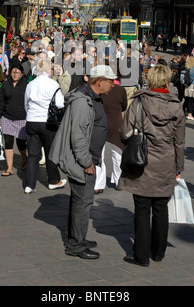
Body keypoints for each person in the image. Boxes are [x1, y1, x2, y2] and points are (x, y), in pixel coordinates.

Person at [118, 65, 185, 266]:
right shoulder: (176, 106)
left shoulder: (138, 102)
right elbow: (179, 142)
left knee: (141, 209)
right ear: (167, 82)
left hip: (141, 162)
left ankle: (140, 255)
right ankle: (158, 252)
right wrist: (178, 168)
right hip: (166, 163)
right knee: (161, 208)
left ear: (150, 81)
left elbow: (124, 132)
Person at [49, 64, 116, 260]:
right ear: (100, 81)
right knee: (83, 202)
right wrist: (87, 162)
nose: (113, 85)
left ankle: (77, 238)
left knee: (81, 201)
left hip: (88, 158)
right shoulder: (83, 101)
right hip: (84, 161)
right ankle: (75, 244)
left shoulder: (92, 97)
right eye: (110, 81)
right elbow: (78, 136)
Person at [24, 58, 66, 194]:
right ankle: (54, 180)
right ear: (49, 69)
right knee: (50, 152)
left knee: (33, 154)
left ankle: (29, 184)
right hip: (47, 121)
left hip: (31, 120)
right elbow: (60, 104)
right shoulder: (53, 84)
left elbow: (26, 102)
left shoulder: (31, 84)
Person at [0, 64, 28, 176]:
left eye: (17, 72)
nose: (15, 74)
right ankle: (9, 168)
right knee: (8, 142)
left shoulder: (26, 85)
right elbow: (0, 102)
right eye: (13, 72)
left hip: (21, 118)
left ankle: (24, 159)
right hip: (7, 117)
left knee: (21, 144)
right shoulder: (5, 84)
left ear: (22, 74)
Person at [94, 79, 127, 193]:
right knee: (117, 155)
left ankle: (98, 184)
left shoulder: (97, 88)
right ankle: (118, 181)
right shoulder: (120, 90)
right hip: (115, 124)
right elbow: (124, 106)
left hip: (100, 123)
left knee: (98, 155)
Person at [183, 56, 194, 120]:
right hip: (192, 85)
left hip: (187, 86)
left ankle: (183, 111)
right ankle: (189, 114)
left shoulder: (188, 68)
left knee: (187, 100)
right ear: (193, 62)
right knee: (191, 101)